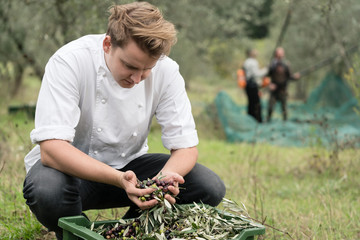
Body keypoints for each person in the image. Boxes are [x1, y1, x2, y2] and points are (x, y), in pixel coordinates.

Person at [22, 2, 226, 239]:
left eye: (147, 69)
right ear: (108, 44)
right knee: (47, 191)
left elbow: (186, 148)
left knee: (208, 186)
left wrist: (163, 180)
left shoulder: (168, 71)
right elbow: (51, 149)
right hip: (72, 174)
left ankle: (129, 232)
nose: (137, 78)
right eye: (129, 66)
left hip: (131, 168)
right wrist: (119, 179)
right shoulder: (70, 61)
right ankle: (78, 235)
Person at [266, 47, 300, 122]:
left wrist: (295, 77)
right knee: (270, 108)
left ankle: (285, 122)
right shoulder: (272, 64)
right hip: (274, 91)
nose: (280, 55)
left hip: (283, 90)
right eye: (278, 53)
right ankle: (268, 120)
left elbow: (290, 77)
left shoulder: (286, 64)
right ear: (276, 54)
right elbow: (267, 76)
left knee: (284, 109)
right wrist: (270, 84)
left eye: (281, 53)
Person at [240, 48, 268, 123]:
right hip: (252, 85)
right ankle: (258, 120)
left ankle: (250, 119)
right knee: (256, 103)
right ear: (251, 53)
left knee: (251, 103)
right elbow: (256, 74)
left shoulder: (247, 62)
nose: (257, 52)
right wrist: (266, 70)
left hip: (249, 85)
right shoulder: (252, 62)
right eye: (255, 51)